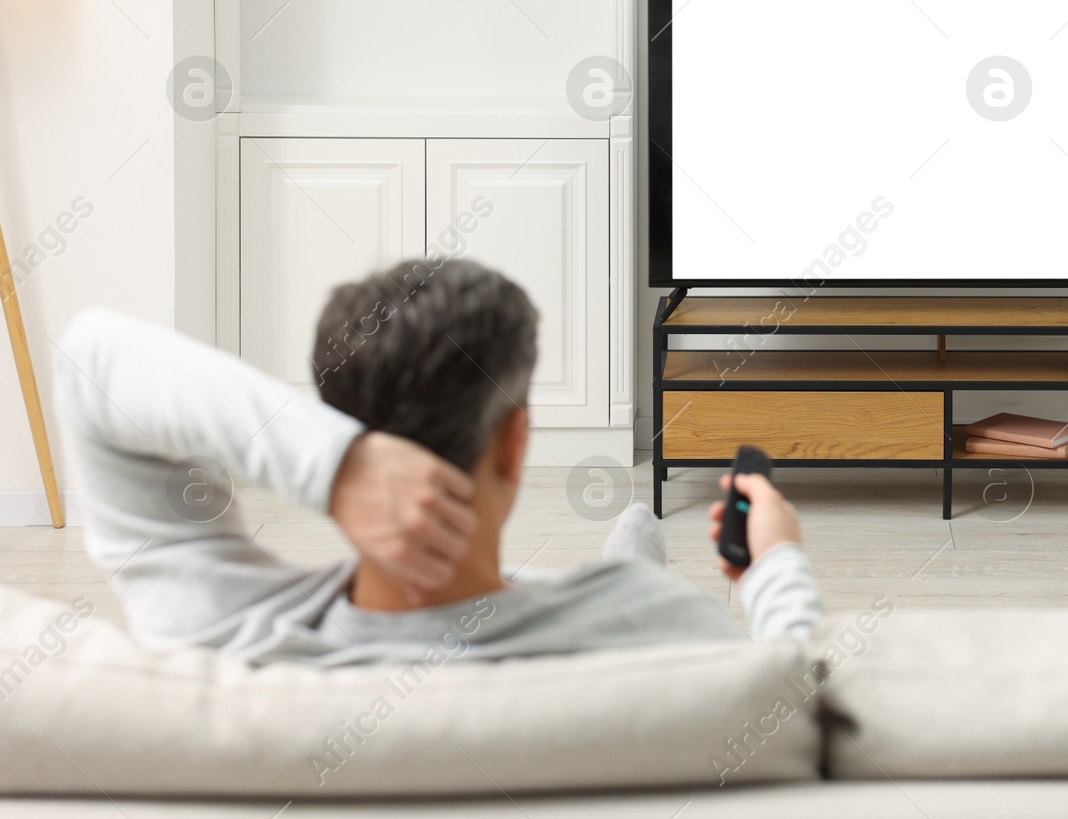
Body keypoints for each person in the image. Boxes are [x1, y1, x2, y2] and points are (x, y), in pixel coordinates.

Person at [57, 258, 821, 666]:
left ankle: (630, 551)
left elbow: (90, 354)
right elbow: (804, 688)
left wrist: (335, 463)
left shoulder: (220, 637)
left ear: (332, 424)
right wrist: (773, 566)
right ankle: (632, 557)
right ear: (515, 442)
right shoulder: (670, 634)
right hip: (617, 606)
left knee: (620, 562)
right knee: (633, 569)